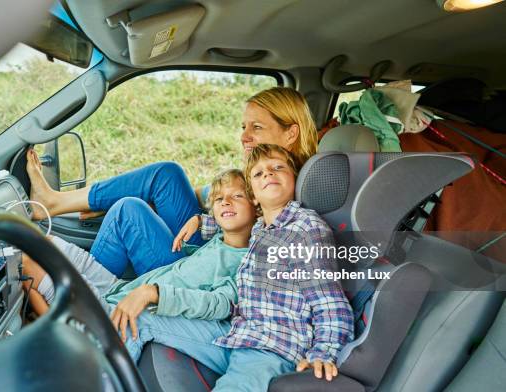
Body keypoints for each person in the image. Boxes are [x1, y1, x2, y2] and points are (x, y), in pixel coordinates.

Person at [123, 144, 354, 391]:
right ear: (254, 196)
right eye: (258, 174)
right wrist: (201, 221)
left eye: (278, 168)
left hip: (272, 348)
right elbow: (233, 217)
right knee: (138, 318)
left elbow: (329, 301)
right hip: (237, 334)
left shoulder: (307, 229)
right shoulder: (260, 227)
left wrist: (324, 352)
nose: (268, 174)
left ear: (296, 181)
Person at [25, 87, 318, 277]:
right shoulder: (264, 170)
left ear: (290, 133)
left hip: (209, 267)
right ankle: (57, 204)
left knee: (127, 212)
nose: (244, 137)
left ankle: (85, 300)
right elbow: (205, 194)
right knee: (167, 174)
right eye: (243, 127)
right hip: (209, 241)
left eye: (257, 127)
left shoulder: (285, 185)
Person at [22, 169, 256, 339]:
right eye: (218, 200)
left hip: (114, 312)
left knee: (25, 264)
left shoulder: (249, 262)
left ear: (257, 207)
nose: (226, 202)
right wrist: (198, 219)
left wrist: (154, 294)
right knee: (38, 242)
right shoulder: (217, 238)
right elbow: (220, 211)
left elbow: (219, 304)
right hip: (119, 288)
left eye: (237, 196)